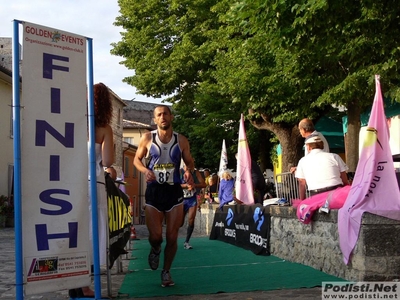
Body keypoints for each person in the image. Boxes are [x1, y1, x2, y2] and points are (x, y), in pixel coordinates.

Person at [134, 105, 195, 287]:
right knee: (156, 236)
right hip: (154, 191)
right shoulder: (147, 138)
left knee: (172, 236)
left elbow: (190, 162)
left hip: (174, 191)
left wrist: (188, 171)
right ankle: (155, 248)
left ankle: (166, 271)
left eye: (165, 114)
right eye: (159, 115)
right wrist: (145, 170)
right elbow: (136, 159)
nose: (163, 117)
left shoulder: (181, 140)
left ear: (171, 117)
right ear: (155, 120)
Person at [69, 82, 116, 298]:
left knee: (76, 229)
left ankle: (74, 278)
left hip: (72, 181)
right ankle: (86, 283)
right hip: (94, 181)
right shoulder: (104, 129)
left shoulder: (74, 123)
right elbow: (107, 160)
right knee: (93, 230)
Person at [294, 136, 350, 224]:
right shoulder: (334, 156)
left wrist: (303, 201)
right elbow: (344, 179)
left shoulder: (302, 161)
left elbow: (302, 183)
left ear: (308, 147)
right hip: (336, 192)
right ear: (322, 145)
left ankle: (319, 205)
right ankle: (326, 204)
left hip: (316, 194)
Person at [180, 165, 206, 249]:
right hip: (181, 199)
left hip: (192, 199)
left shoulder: (195, 172)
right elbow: (174, 184)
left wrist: (194, 185)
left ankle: (187, 241)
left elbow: (204, 184)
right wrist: (185, 186)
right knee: (180, 223)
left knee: (191, 219)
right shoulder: (179, 171)